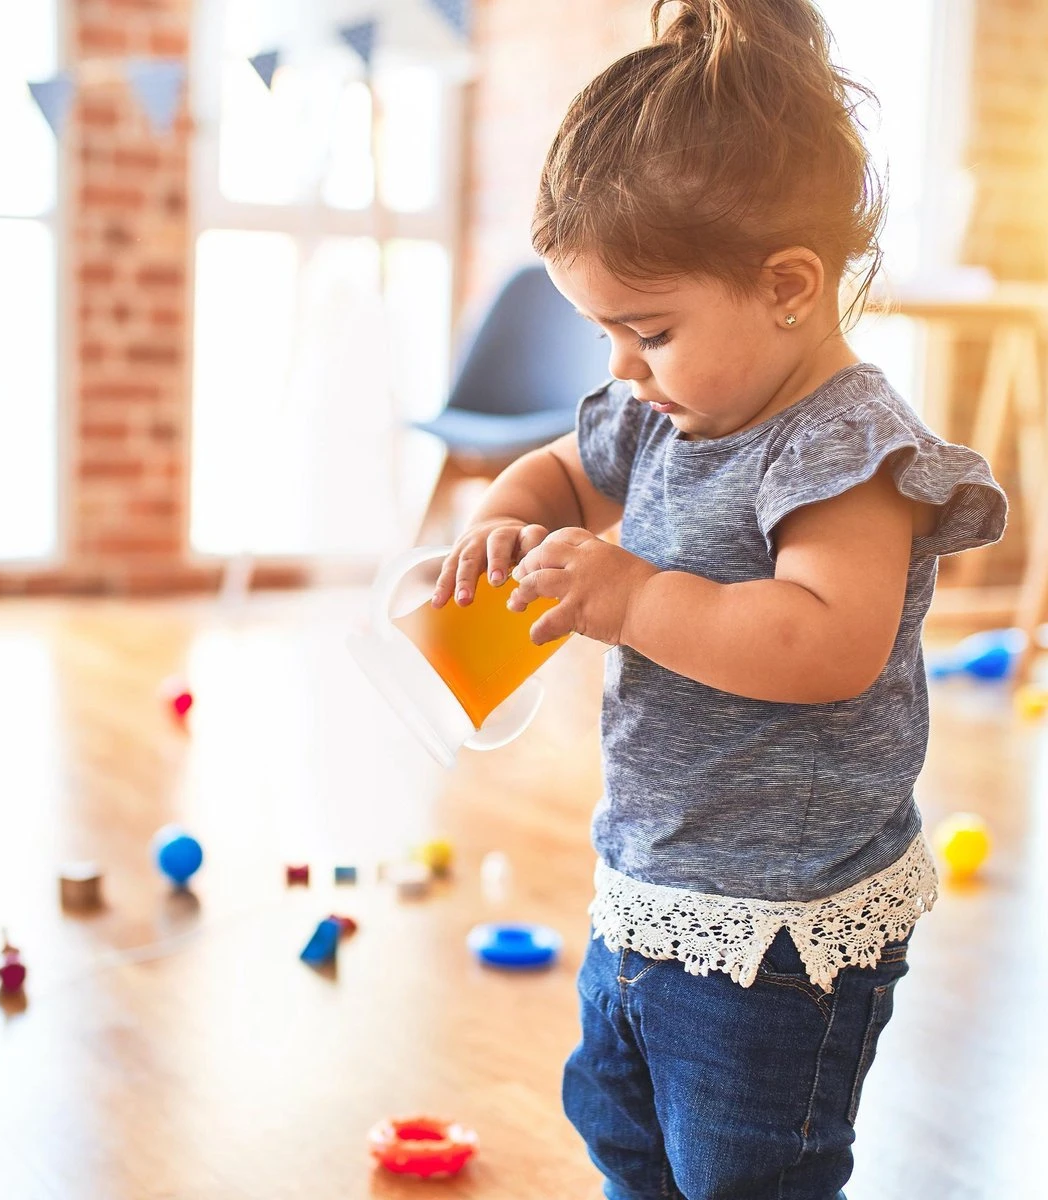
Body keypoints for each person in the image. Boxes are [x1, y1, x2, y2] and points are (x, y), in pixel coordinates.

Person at [431, 1, 1007, 1196]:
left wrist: (635, 598)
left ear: (789, 285)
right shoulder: (662, 410)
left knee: (745, 1164)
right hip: (656, 880)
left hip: (785, 931)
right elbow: (559, 467)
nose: (622, 372)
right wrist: (499, 524)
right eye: (606, 333)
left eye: (648, 332)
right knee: (621, 1119)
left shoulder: (846, 450)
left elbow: (825, 643)